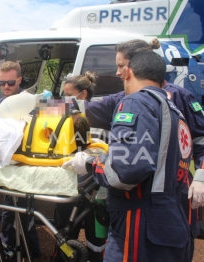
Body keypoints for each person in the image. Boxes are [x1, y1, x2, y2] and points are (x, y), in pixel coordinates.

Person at [77, 38, 203, 259]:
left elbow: (125, 172)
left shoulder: (140, 101)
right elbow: (88, 109)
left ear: (134, 67)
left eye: (120, 66)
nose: (117, 73)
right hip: (171, 216)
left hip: (144, 219)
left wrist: (90, 164)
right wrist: (46, 104)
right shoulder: (166, 103)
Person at [52, 72, 106, 262]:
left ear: (82, 95)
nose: (63, 99)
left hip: (96, 191)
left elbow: (107, 151)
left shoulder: (99, 114)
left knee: (97, 241)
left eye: (68, 95)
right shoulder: (63, 116)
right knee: (64, 236)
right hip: (71, 187)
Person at [0, 61, 41, 259]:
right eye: (1, 83)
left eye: (10, 83)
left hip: (25, 164)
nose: (5, 87)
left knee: (25, 212)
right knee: (9, 209)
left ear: (19, 80)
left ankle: (30, 250)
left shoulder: (32, 101)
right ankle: (12, 248)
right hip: (5, 163)